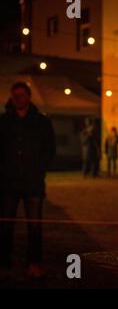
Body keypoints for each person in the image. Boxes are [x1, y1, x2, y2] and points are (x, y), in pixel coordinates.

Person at [0, 81, 56, 279]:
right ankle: (4, 262)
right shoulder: (5, 121)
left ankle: (34, 262)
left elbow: (50, 149)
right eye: (15, 96)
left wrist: (40, 168)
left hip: (33, 182)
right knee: (6, 224)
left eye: (22, 95)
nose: (18, 99)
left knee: (34, 225)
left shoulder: (41, 122)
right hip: (9, 182)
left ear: (29, 96)